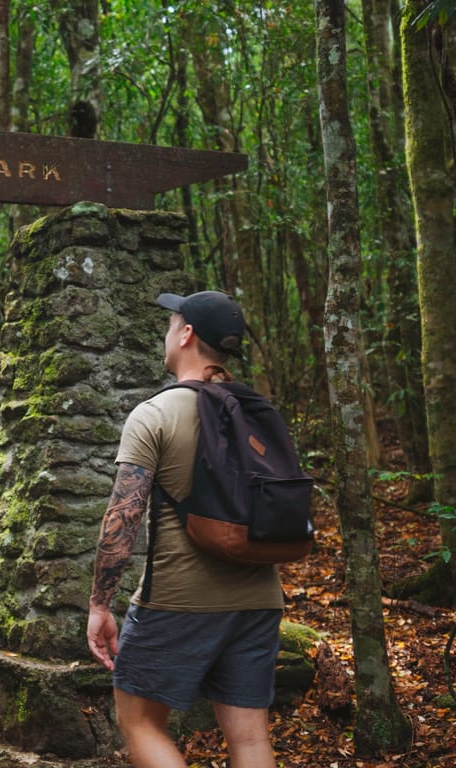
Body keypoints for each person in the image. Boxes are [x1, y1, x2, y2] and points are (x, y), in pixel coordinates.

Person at [86, 290, 284, 768]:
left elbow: (122, 518)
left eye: (171, 323)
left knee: (138, 721)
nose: (167, 332)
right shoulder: (256, 411)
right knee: (251, 739)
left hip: (177, 601)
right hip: (260, 597)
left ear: (187, 334)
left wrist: (99, 604)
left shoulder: (154, 414)